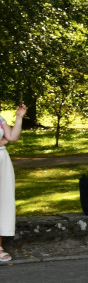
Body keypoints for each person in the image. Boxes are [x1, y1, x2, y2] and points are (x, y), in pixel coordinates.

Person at [0, 102, 28, 264]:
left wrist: (19, 117)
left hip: (2, 162)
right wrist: (2, 142)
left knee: (2, 203)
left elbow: (12, 137)